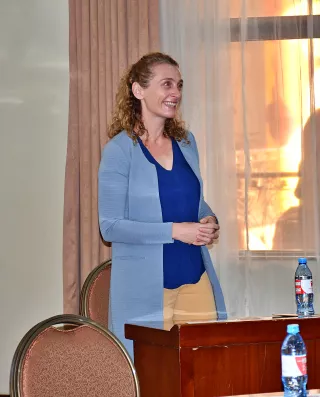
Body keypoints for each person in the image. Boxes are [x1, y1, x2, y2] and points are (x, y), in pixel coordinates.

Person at [98, 52, 227, 357]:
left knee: (206, 372)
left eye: (179, 85)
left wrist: (207, 218)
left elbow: (192, 202)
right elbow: (111, 226)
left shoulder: (186, 142)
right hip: (145, 292)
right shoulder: (119, 151)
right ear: (138, 90)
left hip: (196, 281)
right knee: (155, 379)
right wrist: (175, 231)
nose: (176, 93)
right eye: (166, 84)